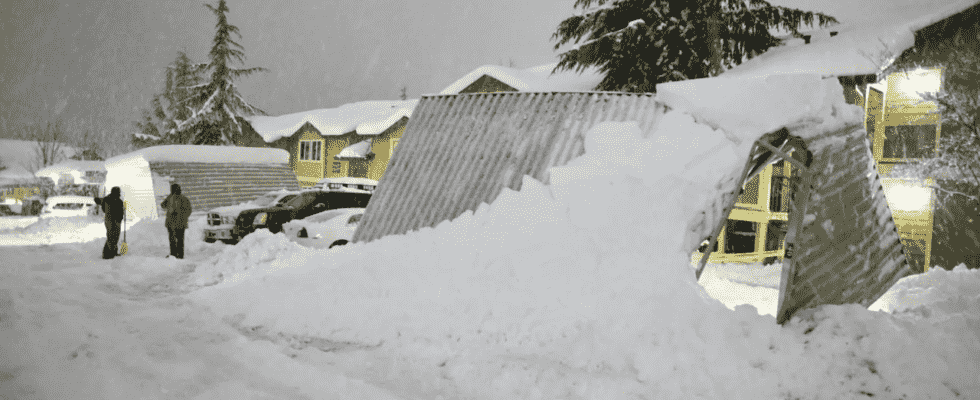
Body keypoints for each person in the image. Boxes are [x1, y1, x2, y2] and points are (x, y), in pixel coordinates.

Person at [161, 183, 192, 259]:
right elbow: (163, 205)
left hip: (177, 223)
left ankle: (177, 255)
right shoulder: (173, 198)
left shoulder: (182, 199)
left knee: (176, 240)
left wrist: (181, 216)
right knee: (176, 240)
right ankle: (176, 255)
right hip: (174, 223)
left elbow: (188, 210)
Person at [94, 186, 124, 259]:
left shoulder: (107, 199)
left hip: (109, 221)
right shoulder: (118, 201)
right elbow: (120, 212)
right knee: (112, 237)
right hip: (114, 221)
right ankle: (107, 255)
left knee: (113, 237)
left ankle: (113, 252)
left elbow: (100, 203)